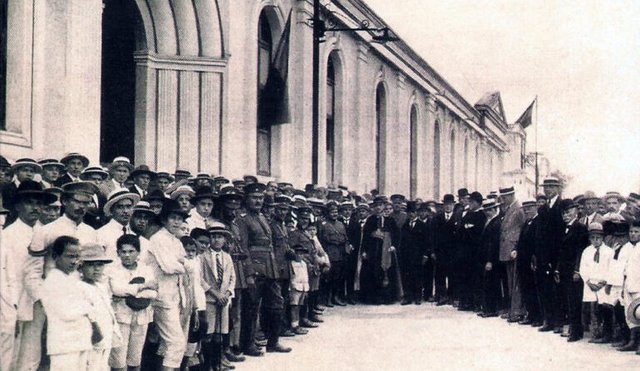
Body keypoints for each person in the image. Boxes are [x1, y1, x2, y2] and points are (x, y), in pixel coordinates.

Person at [18, 181, 99, 371]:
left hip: (78, 302)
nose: (81, 207)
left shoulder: (91, 232)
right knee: (33, 353)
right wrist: (42, 298)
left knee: (78, 353)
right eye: (77, 202)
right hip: (47, 299)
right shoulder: (46, 230)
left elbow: (93, 271)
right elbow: (32, 271)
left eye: (86, 203)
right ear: (64, 201)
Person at [3, 181, 55, 370]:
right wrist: (9, 310)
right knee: (10, 357)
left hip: (37, 303)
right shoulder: (7, 236)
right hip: (12, 304)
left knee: (32, 356)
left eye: (39, 203)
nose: (35, 208)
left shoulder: (44, 232)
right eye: (30, 202)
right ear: (17, 206)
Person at [236, 182, 291, 354]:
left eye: (260, 198)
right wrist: (249, 272)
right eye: (254, 197)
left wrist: (275, 266)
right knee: (251, 307)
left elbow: (271, 245)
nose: (258, 201)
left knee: (276, 304)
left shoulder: (262, 218)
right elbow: (243, 247)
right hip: (255, 269)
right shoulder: (242, 219)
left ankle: (273, 342)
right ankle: (248, 344)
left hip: (270, 268)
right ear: (247, 199)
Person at [143, 199, 190, 370]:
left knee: (166, 344)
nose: (177, 222)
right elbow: (169, 267)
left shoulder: (176, 241)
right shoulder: (158, 239)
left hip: (173, 296)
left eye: (180, 218)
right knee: (176, 343)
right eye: (173, 218)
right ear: (164, 220)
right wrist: (183, 264)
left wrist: (183, 264)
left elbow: (188, 264)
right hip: (160, 297)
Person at [40, 236, 95, 371]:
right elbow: (67, 312)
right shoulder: (52, 281)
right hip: (64, 345)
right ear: (56, 256)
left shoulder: (72, 278)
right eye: (69, 256)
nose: (74, 261)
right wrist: (87, 307)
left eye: (77, 257)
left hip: (81, 341)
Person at [108, 234, 158, 371]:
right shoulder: (113, 270)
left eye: (131, 251)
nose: (127, 255)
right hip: (120, 318)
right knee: (118, 359)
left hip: (141, 317)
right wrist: (142, 287)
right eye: (123, 252)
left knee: (135, 359)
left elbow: (153, 293)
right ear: (118, 253)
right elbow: (117, 289)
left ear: (138, 252)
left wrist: (128, 292)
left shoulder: (146, 269)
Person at [200, 222, 236, 371]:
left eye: (219, 237)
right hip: (209, 299)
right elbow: (200, 279)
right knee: (208, 333)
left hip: (223, 301)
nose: (216, 240)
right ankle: (207, 365)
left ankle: (218, 364)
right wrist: (215, 294)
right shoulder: (203, 257)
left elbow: (232, 278)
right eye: (213, 237)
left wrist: (227, 294)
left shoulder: (227, 257)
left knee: (219, 334)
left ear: (224, 240)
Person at [79, 243, 118, 370]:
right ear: (81, 267)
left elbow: (108, 311)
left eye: (100, 265)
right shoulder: (80, 287)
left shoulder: (101, 286)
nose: (96, 269)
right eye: (90, 265)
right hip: (92, 338)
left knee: (102, 366)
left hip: (105, 336)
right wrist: (94, 332)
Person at [555, 200, 589, 342]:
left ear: (576, 211)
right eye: (563, 213)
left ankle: (576, 332)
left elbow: (581, 251)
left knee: (574, 301)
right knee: (567, 300)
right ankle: (572, 329)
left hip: (574, 270)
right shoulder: (564, 228)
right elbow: (560, 252)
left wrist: (577, 270)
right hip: (563, 270)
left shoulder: (580, 228)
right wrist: (557, 269)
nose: (566, 215)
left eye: (568, 212)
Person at [535, 177, 565, 333]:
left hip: (556, 253)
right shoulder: (542, 208)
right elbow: (539, 233)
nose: (547, 190)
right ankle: (549, 320)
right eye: (546, 187)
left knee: (557, 289)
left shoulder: (561, 206)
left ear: (558, 188)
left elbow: (561, 234)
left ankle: (559, 321)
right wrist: (537, 254)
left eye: (551, 187)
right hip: (543, 254)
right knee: (545, 287)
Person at [578, 222, 613, 343]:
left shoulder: (609, 252)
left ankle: (607, 333)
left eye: (598, 238)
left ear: (602, 238)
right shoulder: (587, 251)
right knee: (592, 310)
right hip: (590, 285)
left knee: (605, 308)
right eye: (593, 238)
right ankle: (595, 333)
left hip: (603, 284)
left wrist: (603, 282)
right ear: (589, 239)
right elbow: (583, 268)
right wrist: (588, 282)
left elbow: (611, 268)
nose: (595, 240)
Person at [498, 186, 526, 322]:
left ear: (511, 196)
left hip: (514, 249)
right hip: (507, 250)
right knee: (510, 281)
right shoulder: (509, 209)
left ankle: (517, 311)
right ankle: (513, 309)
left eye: (504, 197)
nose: (502, 200)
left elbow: (523, 229)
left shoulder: (519, 209)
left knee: (516, 282)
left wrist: (517, 247)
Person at [455, 191, 486, 311]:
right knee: (465, 277)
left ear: (478, 203)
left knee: (476, 278)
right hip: (465, 252)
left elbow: (478, 234)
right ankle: (466, 302)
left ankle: (476, 303)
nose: (470, 204)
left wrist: (467, 230)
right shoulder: (468, 214)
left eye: (472, 202)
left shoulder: (482, 215)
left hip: (476, 253)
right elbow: (460, 231)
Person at [514, 200, 542, 326]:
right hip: (523, 261)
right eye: (525, 209)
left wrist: (534, 258)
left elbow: (538, 243)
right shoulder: (526, 223)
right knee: (526, 288)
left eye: (529, 208)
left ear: (535, 208)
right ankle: (530, 314)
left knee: (533, 289)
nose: (527, 211)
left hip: (532, 261)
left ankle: (537, 317)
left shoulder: (538, 222)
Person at [318, 200, 350, 306]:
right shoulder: (323, 224)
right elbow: (321, 240)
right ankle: (327, 298)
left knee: (338, 277)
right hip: (330, 253)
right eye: (332, 212)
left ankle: (335, 297)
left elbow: (345, 238)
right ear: (327, 213)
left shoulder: (340, 224)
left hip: (340, 253)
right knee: (328, 278)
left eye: (336, 212)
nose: (334, 214)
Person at [399, 201, 429, 305]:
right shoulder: (405, 225)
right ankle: (408, 296)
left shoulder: (422, 225)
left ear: (417, 213)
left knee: (418, 275)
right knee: (407, 276)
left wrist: (425, 254)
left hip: (418, 256)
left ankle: (417, 296)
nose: (411, 214)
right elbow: (401, 241)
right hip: (406, 256)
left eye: (413, 212)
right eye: (409, 212)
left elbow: (426, 242)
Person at [98, 190, 140, 260]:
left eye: (128, 206)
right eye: (120, 207)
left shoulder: (134, 234)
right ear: (111, 210)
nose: (125, 211)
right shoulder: (101, 234)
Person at [479, 199, 502, 317]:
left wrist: (490, 260)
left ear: (495, 209)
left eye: (490, 210)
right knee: (487, 283)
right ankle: (487, 308)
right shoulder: (489, 221)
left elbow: (493, 244)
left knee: (491, 283)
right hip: (486, 258)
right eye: (486, 210)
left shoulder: (496, 223)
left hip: (491, 259)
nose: (487, 212)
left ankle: (491, 309)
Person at [433, 194, 457, 306]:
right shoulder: (437, 218)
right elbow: (432, 235)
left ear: (454, 205)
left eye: (450, 204)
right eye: (446, 204)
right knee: (440, 274)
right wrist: (433, 251)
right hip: (440, 251)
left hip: (453, 252)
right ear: (443, 206)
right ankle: (441, 296)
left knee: (452, 273)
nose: (448, 207)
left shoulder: (458, 217)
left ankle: (452, 295)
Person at [620, 221, 640, 352]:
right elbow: (621, 268)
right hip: (627, 284)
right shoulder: (625, 247)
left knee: (639, 313)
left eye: (636, 232)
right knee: (629, 313)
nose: (633, 234)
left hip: (639, 285)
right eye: (631, 232)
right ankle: (632, 340)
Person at [0, 197, 14, 371]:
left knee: (6, 347)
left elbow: (11, 278)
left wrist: (12, 303)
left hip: (6, 305)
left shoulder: (5, 246)